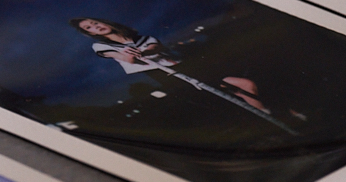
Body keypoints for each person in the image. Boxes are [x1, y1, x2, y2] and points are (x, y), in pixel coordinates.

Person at [70, 17, 278, 118]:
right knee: (230, 97)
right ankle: (267, 117)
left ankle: (269, 114)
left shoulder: (144, 38)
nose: (95, 27)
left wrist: (144, 52)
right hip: (170, 77)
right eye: (89, 28)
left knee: (244, 86)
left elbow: (155, 47)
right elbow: (125, 59)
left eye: (95, 22)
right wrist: (128, 55)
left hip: (187, 67)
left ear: (104, 22)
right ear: (91, 33)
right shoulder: (101, 46)